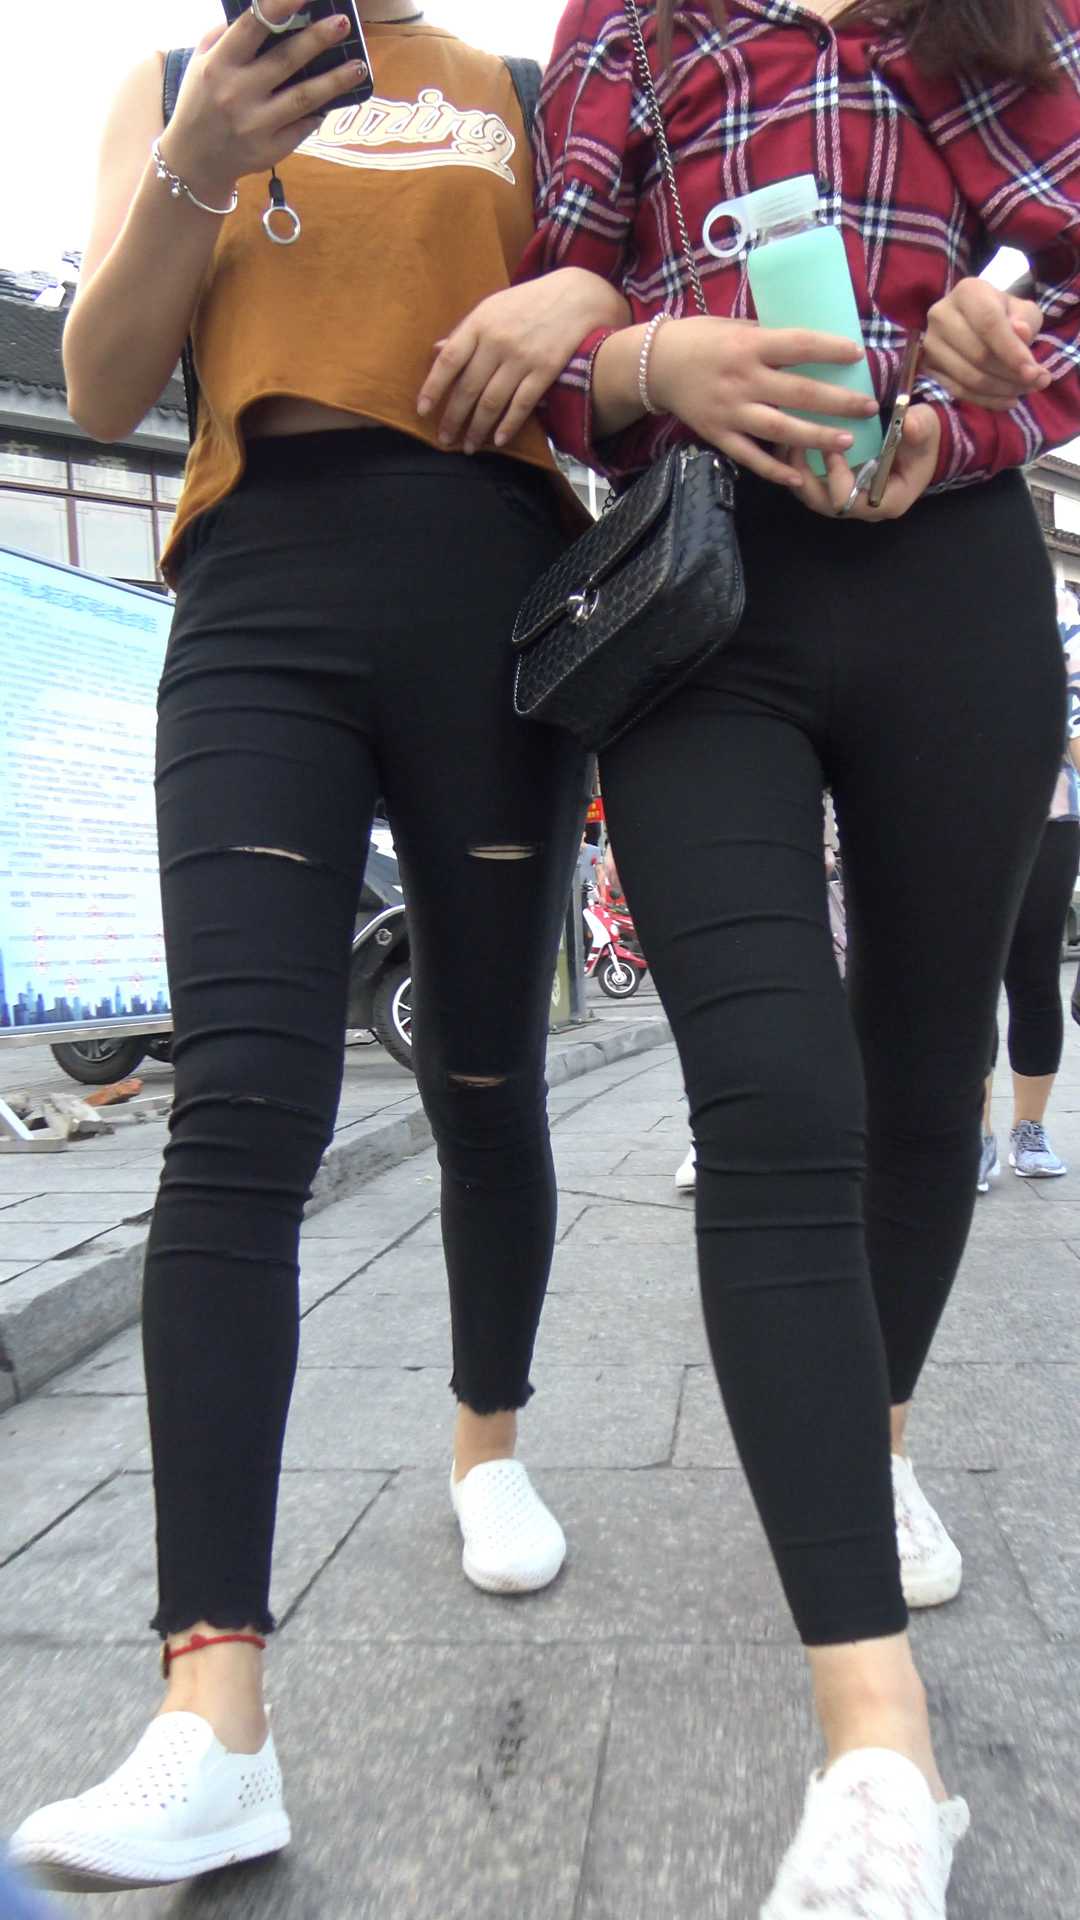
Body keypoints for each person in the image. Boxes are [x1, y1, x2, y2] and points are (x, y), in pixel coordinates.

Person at [9, 0, 630, 1893]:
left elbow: (624, 332)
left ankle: (487, 1441)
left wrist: (582, 294)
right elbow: (103, 387)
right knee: (240, 1115)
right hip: (257, 589)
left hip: (497, 591)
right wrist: (197, 161)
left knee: (482, 1073)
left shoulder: (514, 92)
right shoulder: (166, 89)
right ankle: (213, 1718)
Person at [518, 1, 1080, 1913]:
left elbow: (1071, 302)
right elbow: (546, 324)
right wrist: (650, 355)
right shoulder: (641, 25)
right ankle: (877, 1742)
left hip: (955, 571)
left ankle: (881, 1435)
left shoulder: (1006, 27)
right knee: (773, 1095)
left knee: (923, 1087)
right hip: (701, 590)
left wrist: (980, 387)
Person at [979, 589, 1080, 1188]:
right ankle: (974, 1133)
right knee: (967, 980)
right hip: (956, 812)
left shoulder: (1059, 610)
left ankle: (1029, 1128)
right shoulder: (934, 590)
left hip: (1050, 812)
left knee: (1035, 973)